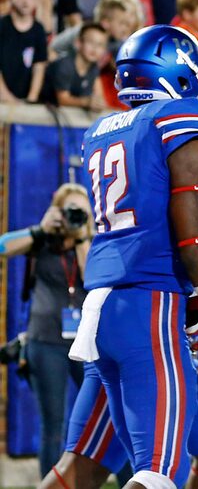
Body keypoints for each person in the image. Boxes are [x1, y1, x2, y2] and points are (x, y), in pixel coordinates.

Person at [39, 47, 198, 489]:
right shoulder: (182, 125)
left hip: (112, 307)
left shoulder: (108, 129)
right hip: (152, 313)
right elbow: (191, 247)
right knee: (156, 473)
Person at [0, 184, 93, 479]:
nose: (74, 218)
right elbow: (2, 246)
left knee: (101, 415)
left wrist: (81, 238)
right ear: (57, 212)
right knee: (53, 425)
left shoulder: (92, 243)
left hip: (85, 344)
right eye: (69, 212)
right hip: (45, 341)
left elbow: (92, 279)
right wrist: (41, 230)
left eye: (81, 211)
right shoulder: (41, 240)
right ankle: (50, 484)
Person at [0, 0, 48, 103]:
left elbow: (39, 66)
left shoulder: (38, 30)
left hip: (24, 97)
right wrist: (7, 98)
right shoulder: (2, 25)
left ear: (37, 0)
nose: (25, 0)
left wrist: (32, 98)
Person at [40, 21, 107, 109]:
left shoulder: (94, 68)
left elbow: (100, 97)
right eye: (91, 42)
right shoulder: (65, 65)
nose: (95, 48)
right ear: (78, 43)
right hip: (43, 110)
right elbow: (63, 100)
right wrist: (86, 102)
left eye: (100, 45)